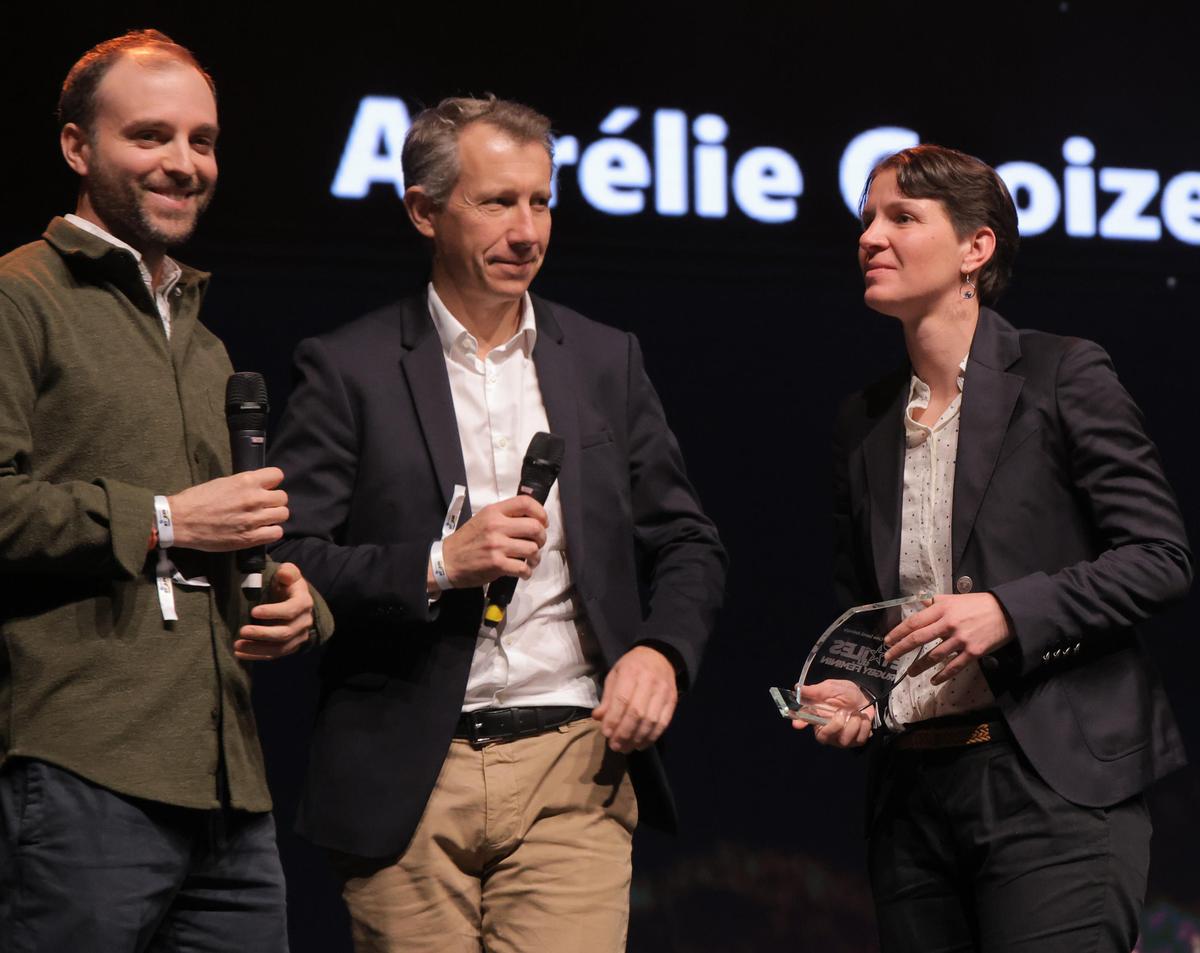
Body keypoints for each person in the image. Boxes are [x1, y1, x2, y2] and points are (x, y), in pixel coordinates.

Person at [269, 95, 726, 952]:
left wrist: (661, 653)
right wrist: (441, 562)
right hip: (408, 771)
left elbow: (687, 540)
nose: (527, 231)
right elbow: (291, 559)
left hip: (572, 758)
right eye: (497, 202)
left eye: (540, 201)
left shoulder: (602, 358)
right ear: (423, 210)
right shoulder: (348, 366)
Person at [798, 144, 1191, 952]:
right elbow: (867, 607)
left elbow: (1159, 554)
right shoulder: (863, 423)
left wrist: (1010, 611)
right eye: (867, 219)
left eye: (902, 217)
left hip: (1051, 783)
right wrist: (854, 691)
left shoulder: (1062, 375)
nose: (871, 236)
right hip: (912, 797)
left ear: (976, 248)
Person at [0, 30, 331, 953]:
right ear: (77, 149)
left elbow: (215, 546)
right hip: (78, 766)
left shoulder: (208, 343)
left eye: (202, 141)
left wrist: (297, 604)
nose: (183, 164)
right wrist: (164, 518)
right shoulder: (19, 299)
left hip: (229, 785)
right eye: (150, 137)